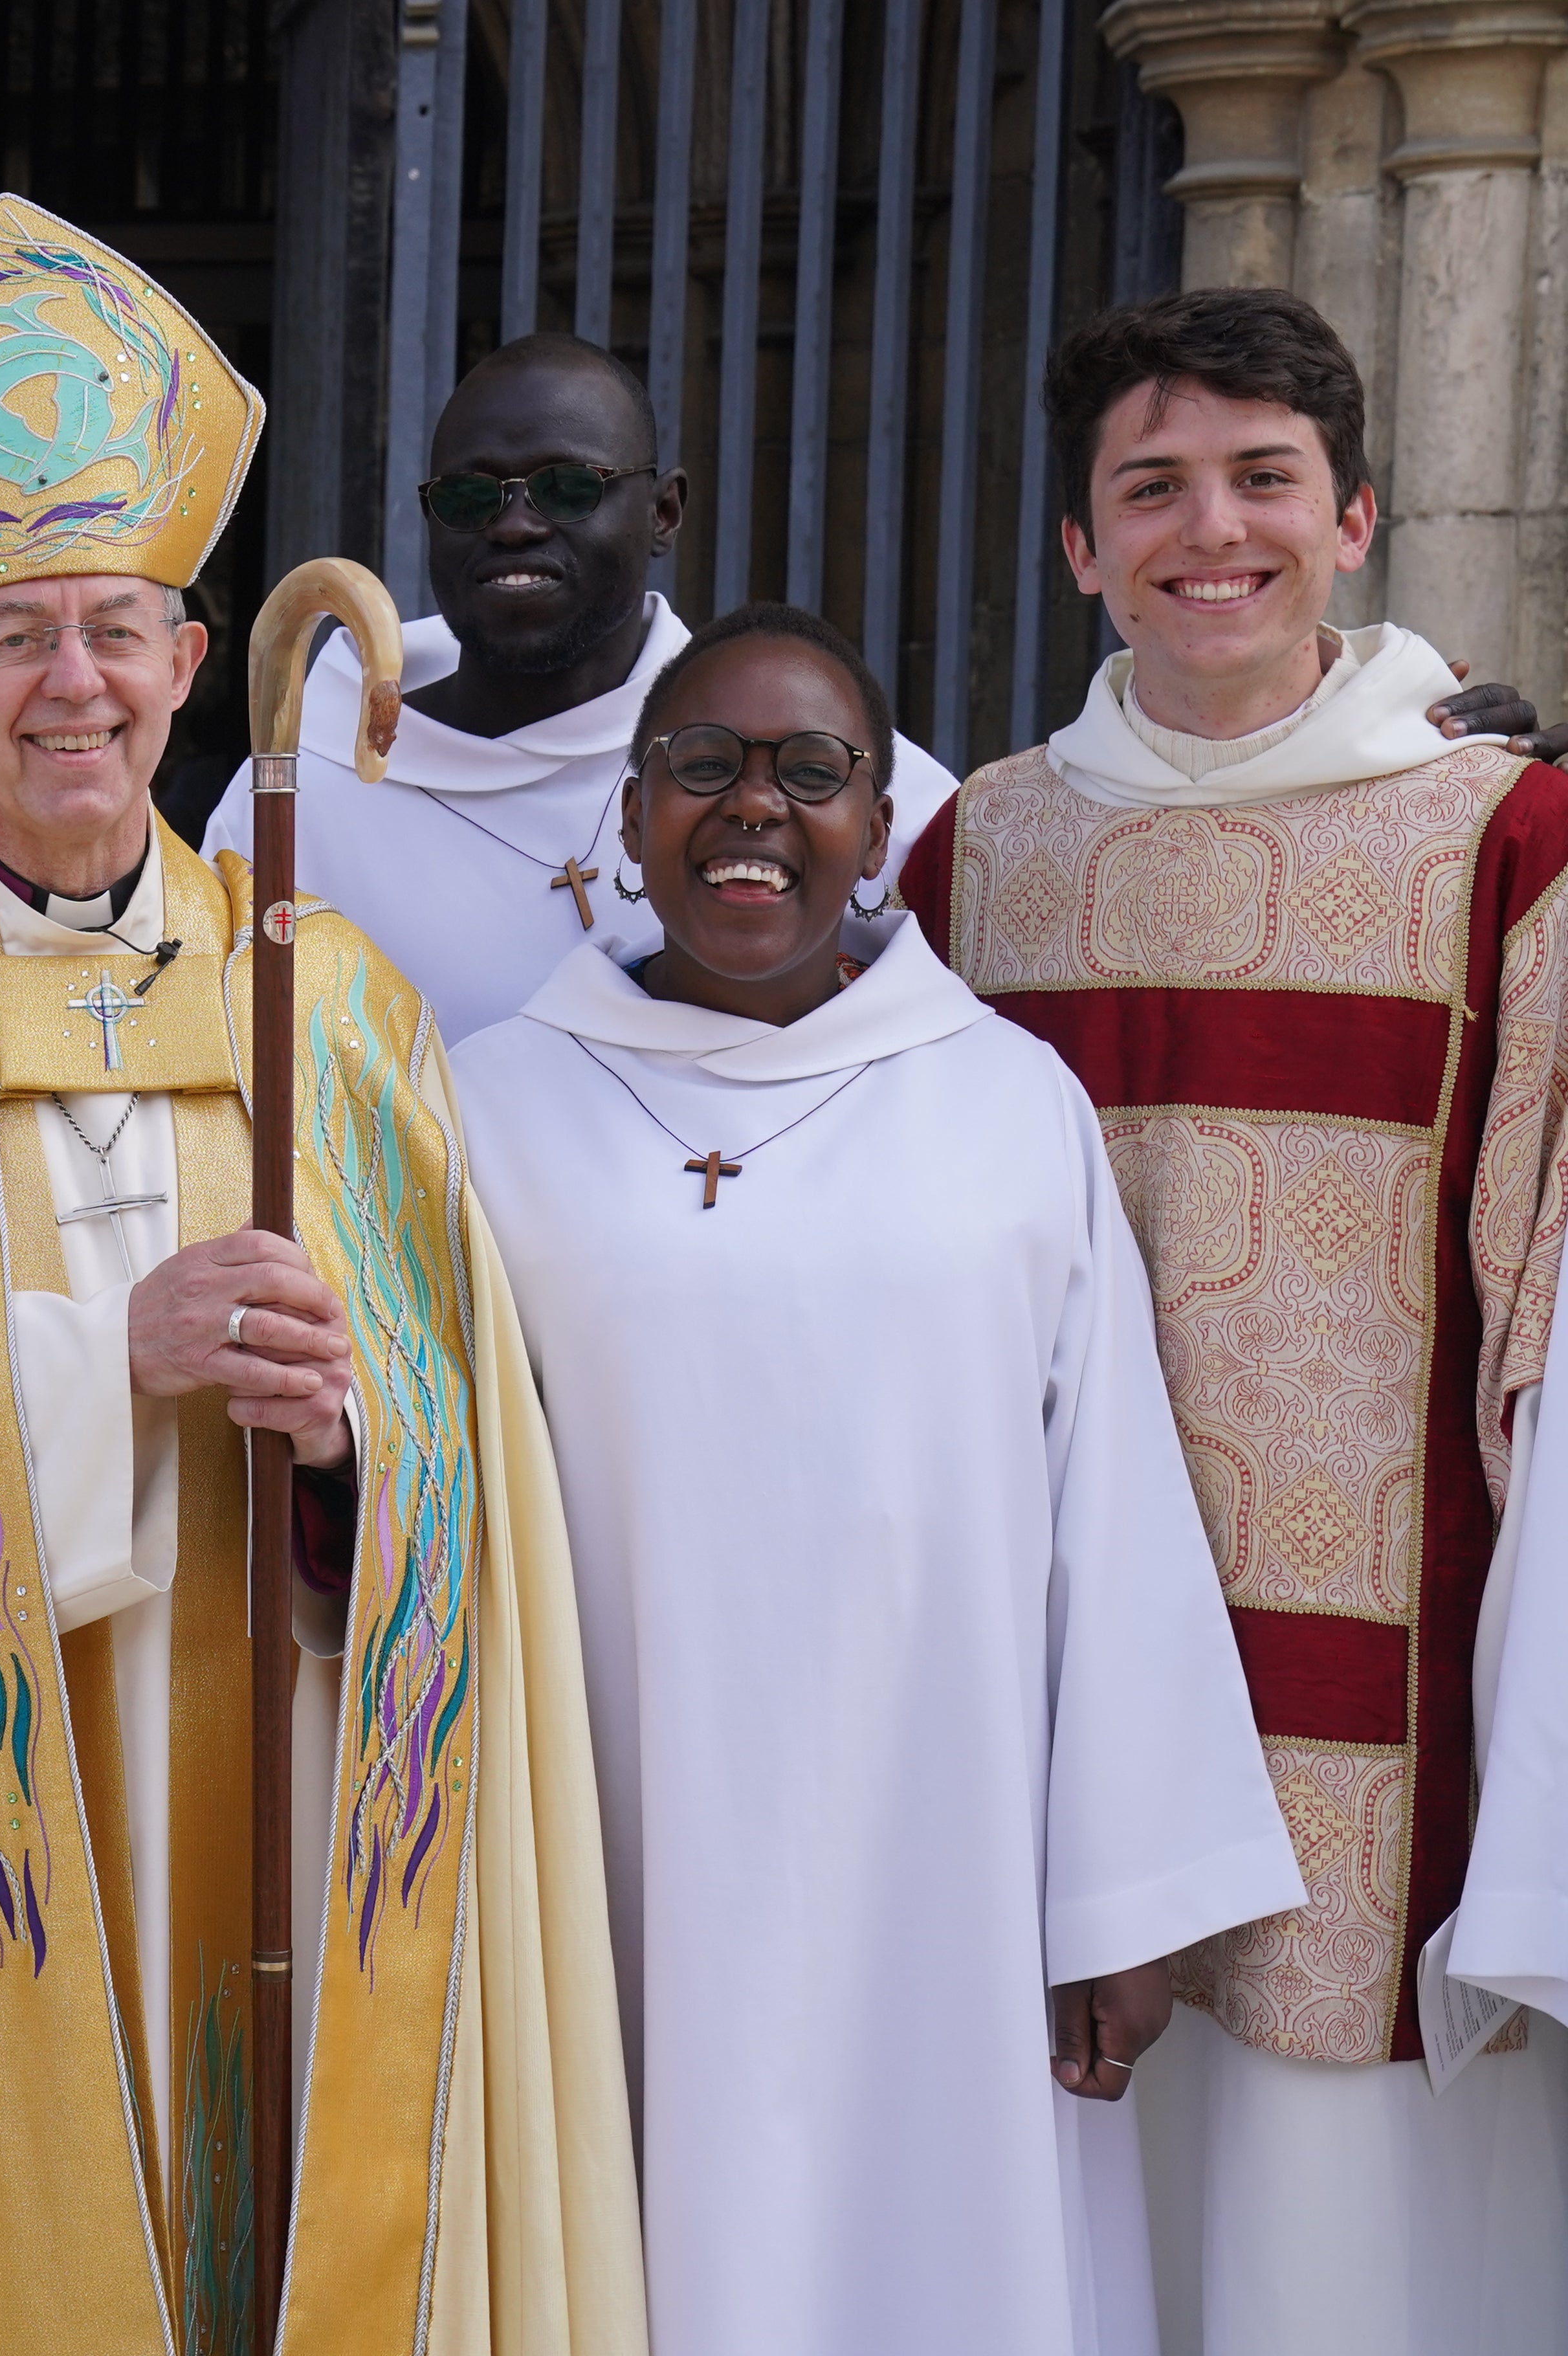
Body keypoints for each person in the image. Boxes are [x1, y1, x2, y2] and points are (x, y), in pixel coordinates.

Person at [0, 194, 641, 2352]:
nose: (68, 683)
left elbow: (471, 1469)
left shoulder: (340, 1011)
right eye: (10, 635)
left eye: (112, 627)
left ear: (192, 664)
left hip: (284, 1772)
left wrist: (353, 1449)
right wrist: (112, 1369)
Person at [454, 602, 1301, 2356]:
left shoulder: (1005, 1103)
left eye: (811, 773)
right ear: (628, 814)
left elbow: (1116, 1510)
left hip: (951, 1855)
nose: (754, 808)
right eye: (704, 767)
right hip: (608, 1838)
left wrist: (1124, 1895)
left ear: (875, 827)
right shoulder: (481, 1111)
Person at [900, 285, 1568, 2356]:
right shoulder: (970, 851)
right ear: (1081, 547)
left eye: (1265, 478)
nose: (1218, 530)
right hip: (1043, 1664)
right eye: (1152, 487)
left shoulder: (1511, 843)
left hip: (1380, 1704)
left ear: (1355, 512)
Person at [204, 332, 1547, 1048]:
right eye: (472, 496)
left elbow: (1121, 876)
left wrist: (1378, 752)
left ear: (663, 510)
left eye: (567, 487)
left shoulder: (831, 778)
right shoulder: (297, 781)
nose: (516, 525)